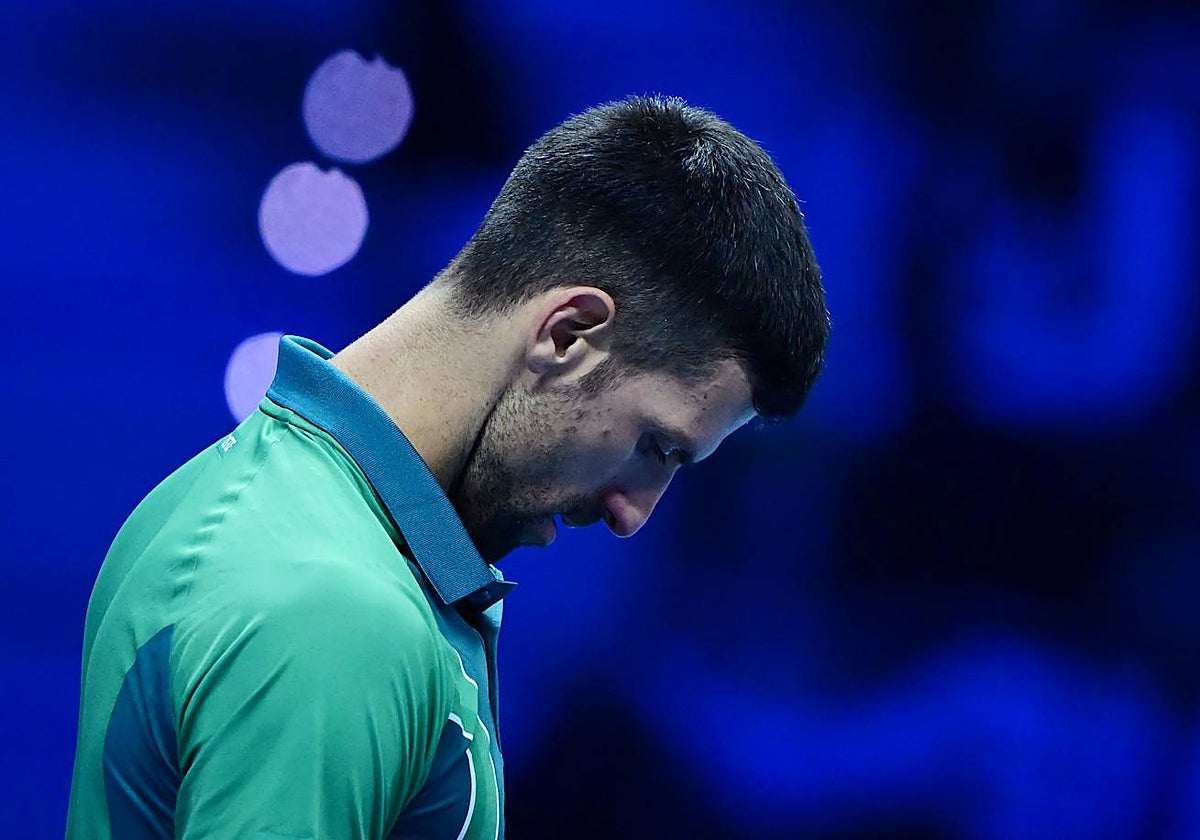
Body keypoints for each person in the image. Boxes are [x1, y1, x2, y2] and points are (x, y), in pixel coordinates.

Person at [65, 94, 829, 840]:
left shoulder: (228, 499)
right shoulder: (336, 610)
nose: (633, 513)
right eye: (656, 447)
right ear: (567, 336)